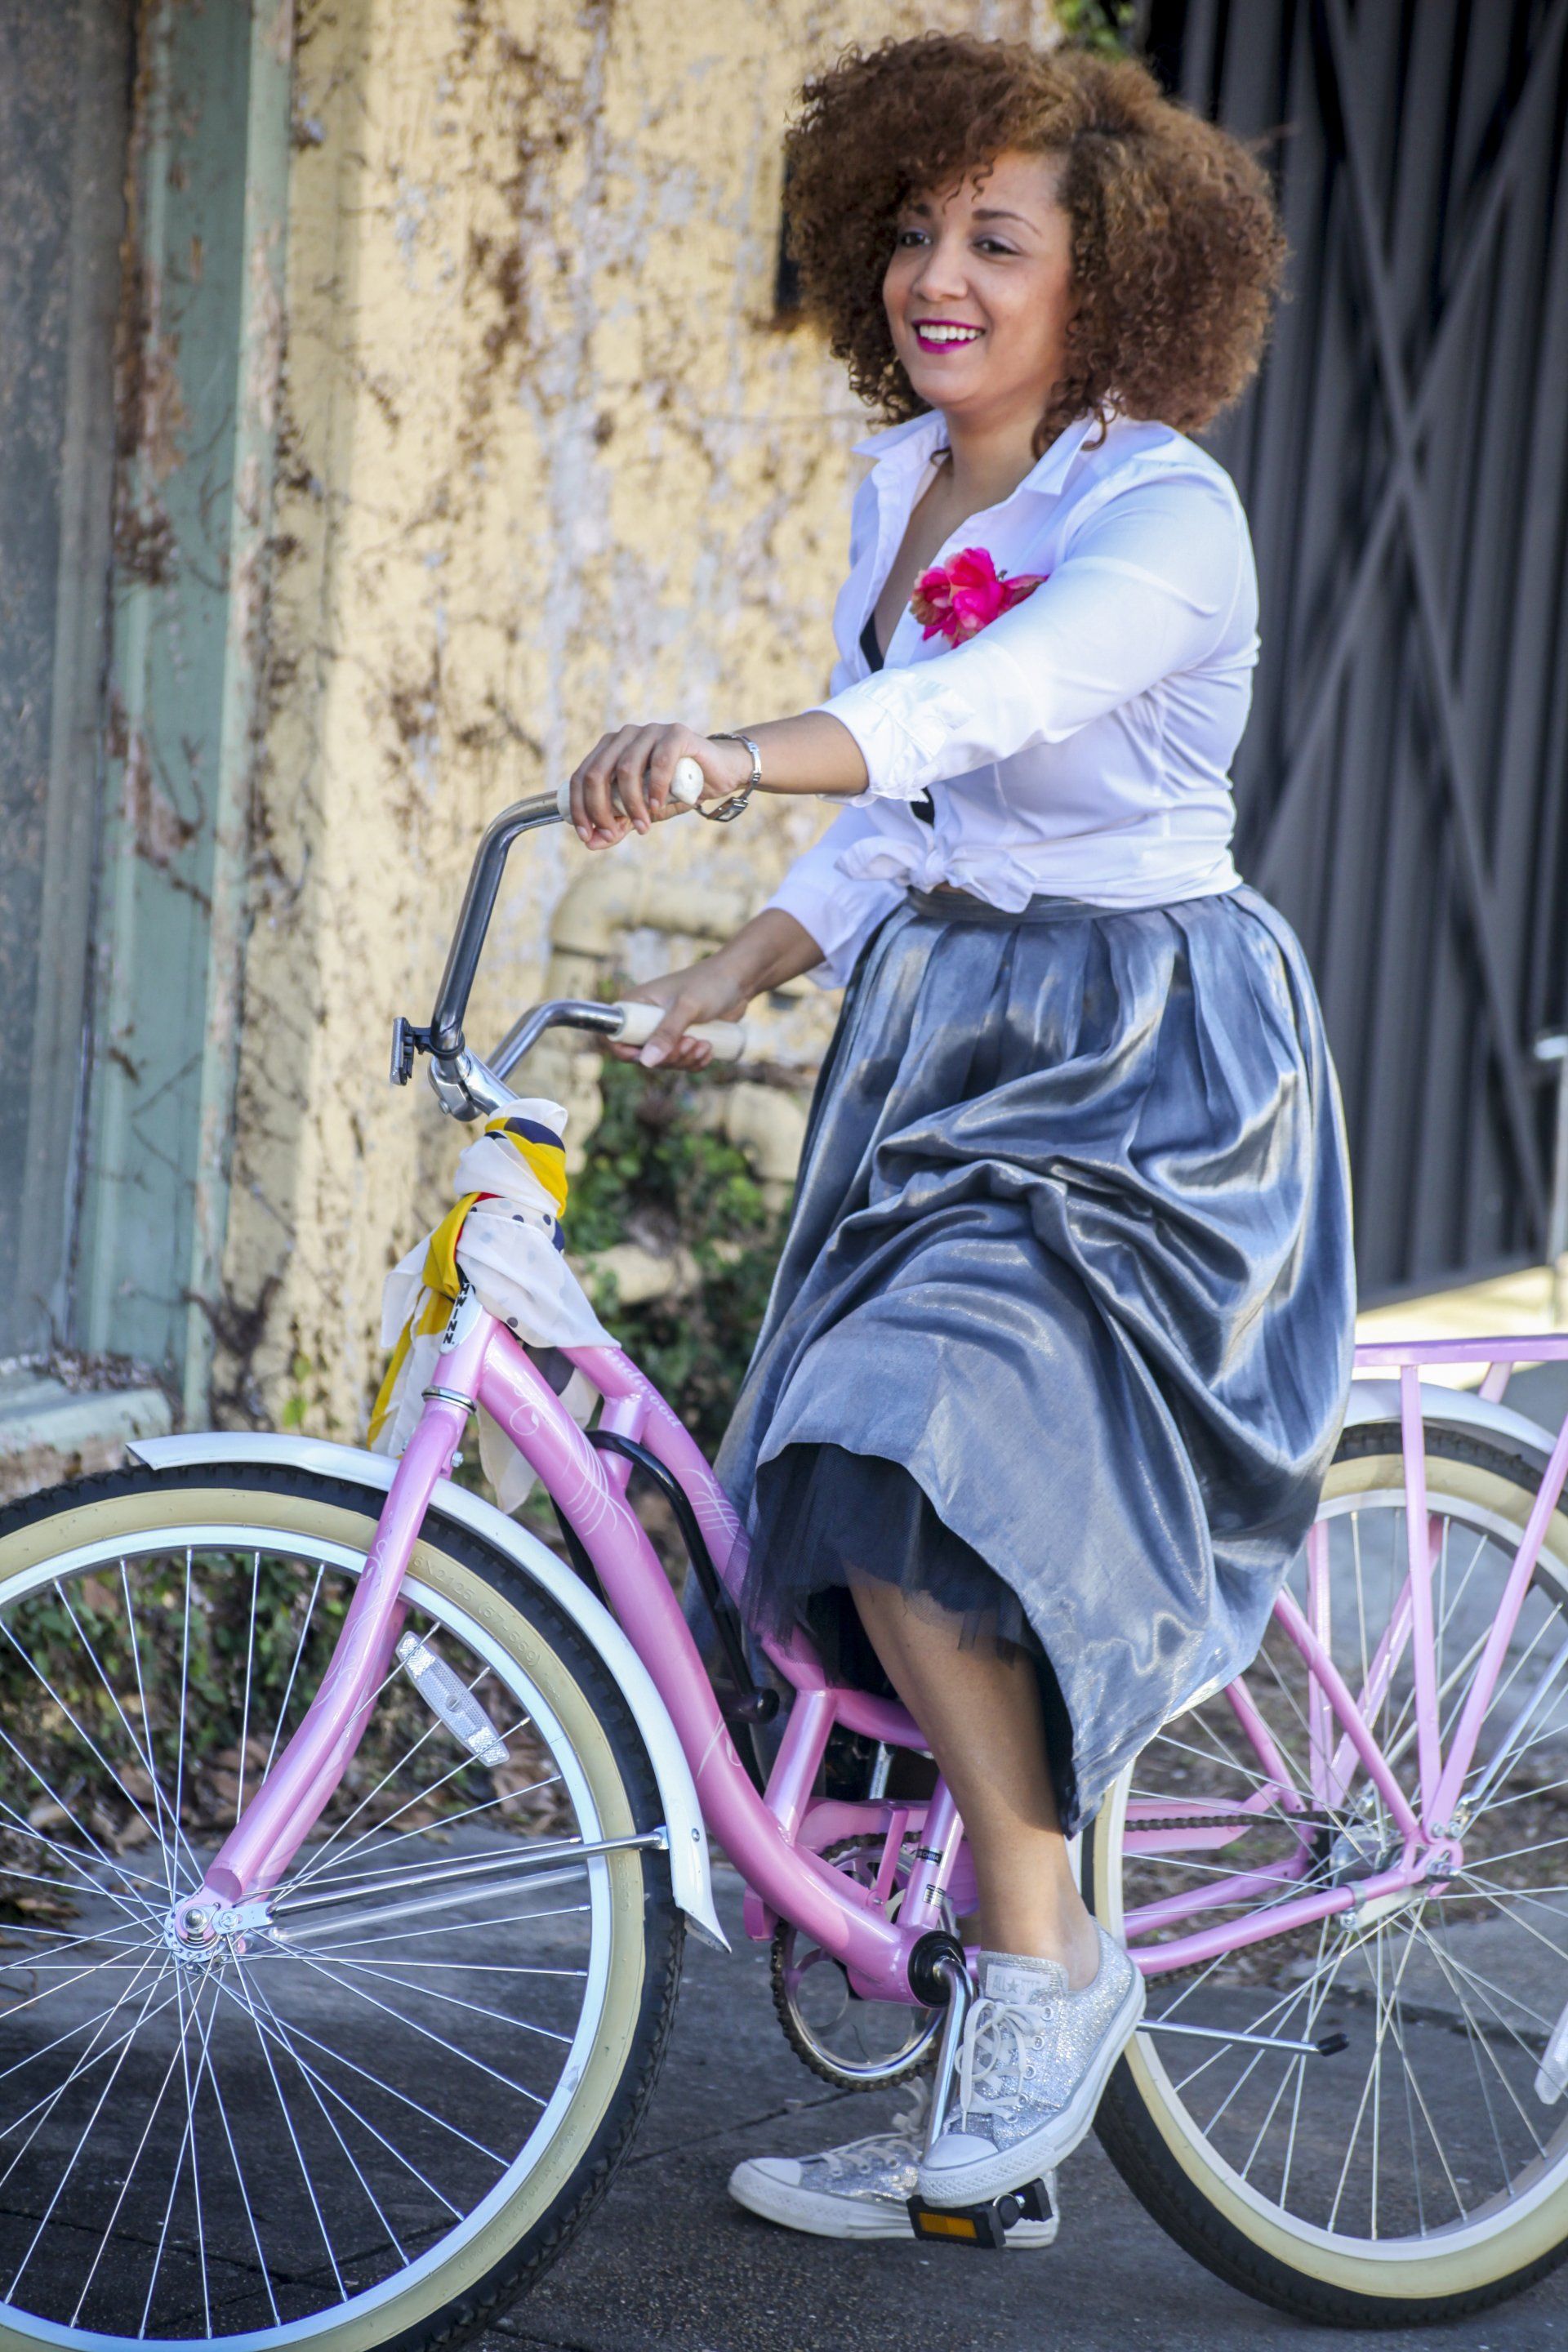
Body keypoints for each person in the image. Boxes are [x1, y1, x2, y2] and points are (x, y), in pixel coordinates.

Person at [565, 34, 1355, 2243]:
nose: (939, 272)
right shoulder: (897, 478)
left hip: (1143, 1056)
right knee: (835, 1469)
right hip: (946, 1030)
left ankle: (1048, 1963)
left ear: (1106, 287)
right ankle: (979, 2142)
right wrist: (736, 966)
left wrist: (729, 752)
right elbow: (918, 812)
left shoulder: (1160, 508)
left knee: (918, 1447)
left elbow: (985, 708)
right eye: (913, 227)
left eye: (997, 241)